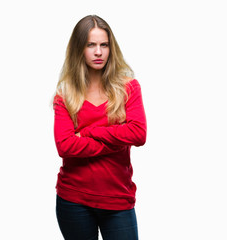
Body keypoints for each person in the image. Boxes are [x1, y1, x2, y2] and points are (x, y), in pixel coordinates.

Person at [53, 15, 146, 240]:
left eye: (104, 45)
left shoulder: (128, 88)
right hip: (73, 199)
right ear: (79, 49)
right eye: (91, 45)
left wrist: (88, 133)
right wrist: (116, 141)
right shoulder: (65, 94)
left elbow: (138, 134)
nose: (98, 52)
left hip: (117, 199)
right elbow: (65, 146)